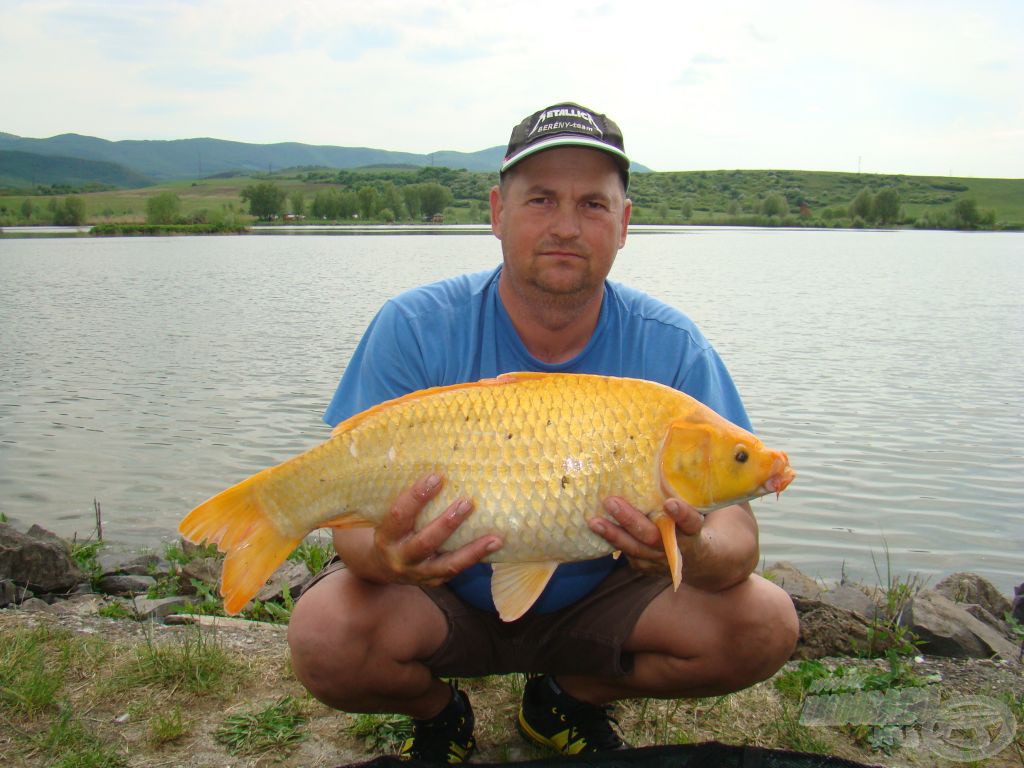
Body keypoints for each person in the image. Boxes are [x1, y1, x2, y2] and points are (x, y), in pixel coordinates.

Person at [287, 102, 799, 763]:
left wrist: (688, 552)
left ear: (623, 224)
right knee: (324, 635)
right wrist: (390, 558)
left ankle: (566, 696)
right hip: (440, 596)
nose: (566, 226)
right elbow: (351, 531)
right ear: (498, 213)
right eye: (541, 201)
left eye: (592, 204)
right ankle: (440, 714)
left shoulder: (672, 347)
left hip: (603, 597)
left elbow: (737, 541)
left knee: (763, 624)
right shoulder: (413, 326)